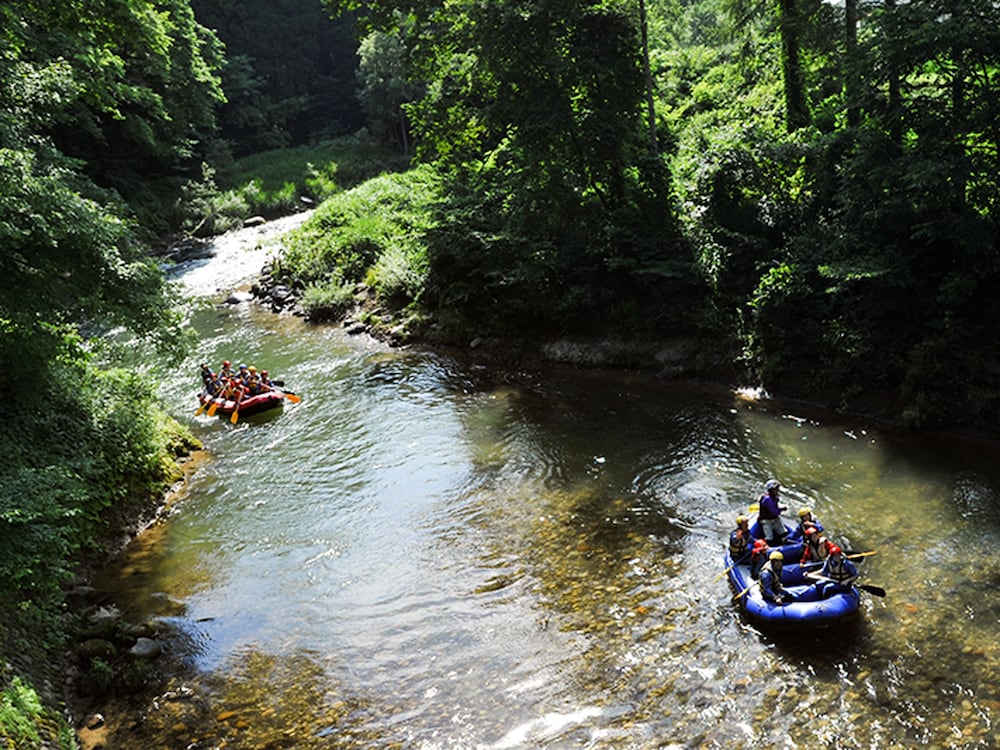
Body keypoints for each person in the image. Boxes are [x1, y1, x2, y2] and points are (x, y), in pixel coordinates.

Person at [757, 479, 788, 544]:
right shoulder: (767, 499)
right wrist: (782, 509)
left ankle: (783, 542)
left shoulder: (775, 497)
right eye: (776, 489)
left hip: (775, 519)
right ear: (771, 490)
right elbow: (774, 511)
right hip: (766, 520)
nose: (778, 490)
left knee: (784, 533)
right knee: (769, 537)